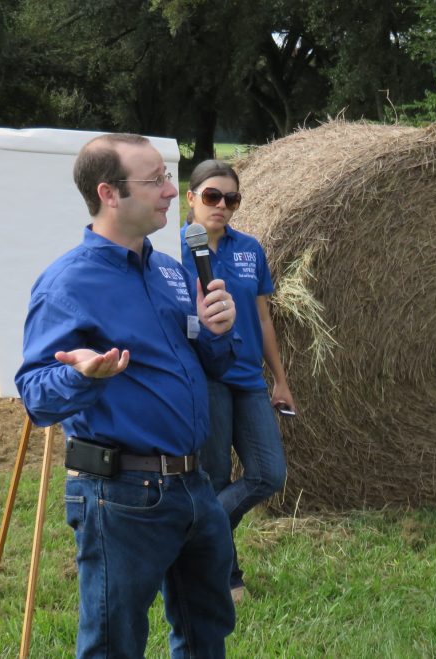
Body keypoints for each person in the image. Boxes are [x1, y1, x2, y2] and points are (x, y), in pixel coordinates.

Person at [15, 133, 240, 658]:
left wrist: (217, 333)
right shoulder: (67, 285)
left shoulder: (169, 271)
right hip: (122, 494)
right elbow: (36, 397)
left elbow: (207, 365)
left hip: (194, 484)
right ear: (109, 194)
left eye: (167, 177)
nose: (170, 190)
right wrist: (84, 376)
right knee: (114, 644)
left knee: (206, 631)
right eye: (156, 179)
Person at [181, 159, 292, 602]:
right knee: (214, 476)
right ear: (191, 198)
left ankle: (192, 533)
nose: (222, 206)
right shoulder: (171, 254)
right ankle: (227, 577)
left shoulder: (250, 249)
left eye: (231, 199)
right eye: (212, 196)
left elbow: (264, 318)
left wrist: (280, 379)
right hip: (205, 377)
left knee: (269, 473)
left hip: (247, 377)